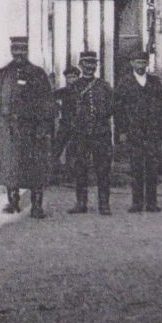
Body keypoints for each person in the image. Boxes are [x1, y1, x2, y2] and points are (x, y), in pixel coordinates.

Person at [0, 35, 55, 219]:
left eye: (22, 50)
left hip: (33, 130)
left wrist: (44, 126)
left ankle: (36, 205)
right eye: (15, 50)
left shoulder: (38, 73)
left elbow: (47, 102)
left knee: (36, 168)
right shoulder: (3, 73)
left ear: (26, 51)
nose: (18, 54)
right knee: (10, 168)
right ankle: (13, 202)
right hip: (9, 130)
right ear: (11, 51)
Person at [112, 47, 162, 213]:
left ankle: (152, 203)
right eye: (138, 62)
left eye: (144, 62)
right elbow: (118, 110)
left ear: (147, 64)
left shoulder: (154, 82)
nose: (141, 65)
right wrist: (122, 131)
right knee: (136, 167)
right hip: (133, 131)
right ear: (132, 63)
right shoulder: (124, 83)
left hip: (153, 131)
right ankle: (137, 203)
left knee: (152, 167)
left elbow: (161, 107)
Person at [61, 49, 117, 215]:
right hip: (80, 134)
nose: (90, 67)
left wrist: (102, 114)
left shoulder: (104, 86)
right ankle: (81, 203)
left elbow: (113, 107)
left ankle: (104, 204)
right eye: (86, 64)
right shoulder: (74, 88)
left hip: (101, 134)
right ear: (81, 65)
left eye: (93, 64)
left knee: (103, 170)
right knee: (80, 169)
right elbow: (68, 112)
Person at [52, 64, 82, 178]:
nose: (71, 80)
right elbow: (51, 99)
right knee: (57, 147)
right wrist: (57, 107)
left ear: (78, 77)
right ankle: (52, 172)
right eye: (69, 77)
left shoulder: (82, 92)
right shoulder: (63, 92)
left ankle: (73, 173)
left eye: (74, 77)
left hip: (79, 124)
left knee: (74, 149)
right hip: (65, 123)